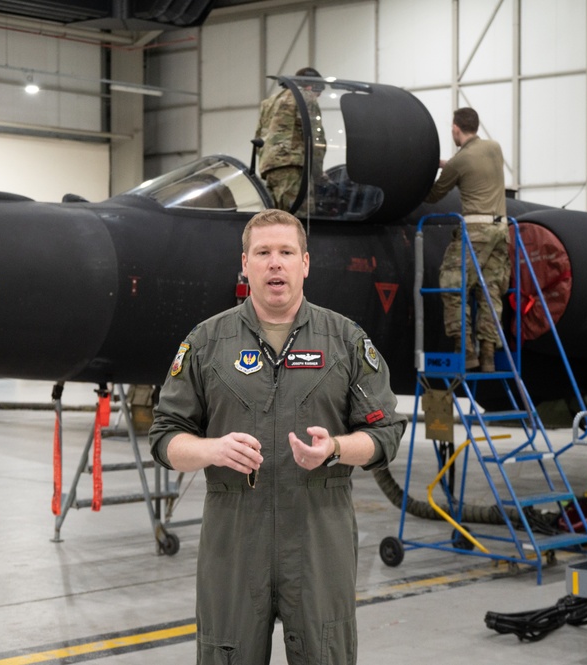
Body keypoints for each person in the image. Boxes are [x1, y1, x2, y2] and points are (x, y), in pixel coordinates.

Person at [149, 209, 405, 664]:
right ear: (244, 263)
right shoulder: (207, 343)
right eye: (263, 252)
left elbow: (385, 433)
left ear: (305, 263)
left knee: (326, 654)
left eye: (286, 252)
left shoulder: (345, 341)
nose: (275, 263)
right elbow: (165, 437)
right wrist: (212, 449)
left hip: (318, 540)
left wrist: (337, 449)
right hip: (233, 544)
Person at [424, 107, 509, 372]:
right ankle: (488, 356)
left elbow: (435, 194)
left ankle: (465, 350)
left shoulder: (460, 161)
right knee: (489, 290)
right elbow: (472, 163)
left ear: (455, 129)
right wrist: (448, 163)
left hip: (475, 232)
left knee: (452, 284)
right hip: (501, 230)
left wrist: (424, 173)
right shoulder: (494, 148)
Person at [255, 67, 327, 212]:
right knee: (298, 222)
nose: (317, 97)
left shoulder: (269, 102)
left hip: (269, 169)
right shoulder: (305, 97)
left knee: (276, 219)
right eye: (318, 93)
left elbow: (259, 137)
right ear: (310, 86)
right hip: (294, 168)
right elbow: (315, 139)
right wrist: (318, 174)